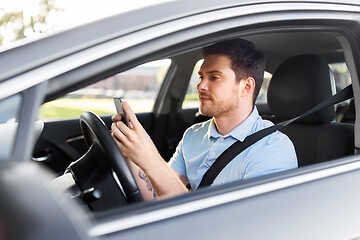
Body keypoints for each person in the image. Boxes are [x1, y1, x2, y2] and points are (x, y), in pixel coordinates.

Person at [111, 39, 298, 200]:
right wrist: (132, 155)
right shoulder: (194, 134)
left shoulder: (272, 148)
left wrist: (150, 158)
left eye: (214, 77)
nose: (200, 85)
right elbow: (157, 194)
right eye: (201, 77)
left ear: (246, 86)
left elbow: (235, 227)